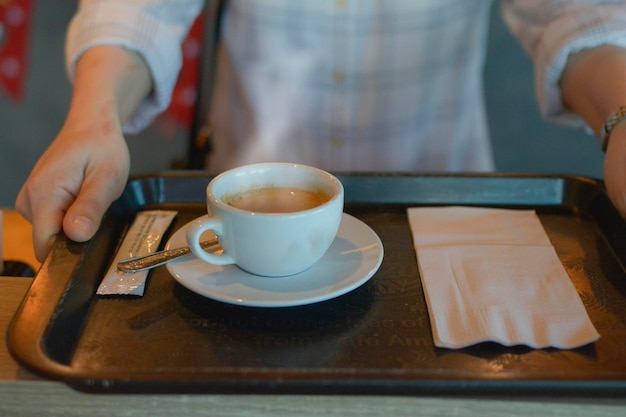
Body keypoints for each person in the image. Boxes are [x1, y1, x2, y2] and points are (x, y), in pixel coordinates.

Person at [15, 0, 626, 262]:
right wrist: (93, 115)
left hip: (447, 207)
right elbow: (138, 7)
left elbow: (578, 15)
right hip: (244, 212)